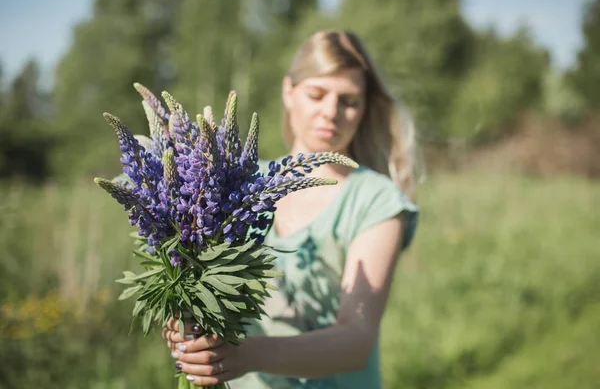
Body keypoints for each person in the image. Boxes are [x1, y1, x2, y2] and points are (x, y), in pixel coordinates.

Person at [162, 29, 420, 388]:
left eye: (349, 101)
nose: (331, 111)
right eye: (317, 94)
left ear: (364, 109)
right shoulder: (241, 182)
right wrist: (186, 323)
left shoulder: (376, 199)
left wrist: (244, 355)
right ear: (289, 92)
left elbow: (356, 341)